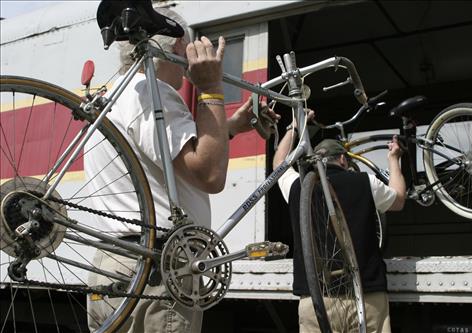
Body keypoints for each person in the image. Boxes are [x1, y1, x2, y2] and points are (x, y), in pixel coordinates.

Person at [85, 6, 277, 333]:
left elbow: (167, 156)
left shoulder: (117, 92)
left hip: (113, 264)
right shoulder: (153, 92)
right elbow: (208, 174)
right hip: (155, 268)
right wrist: (211, 89)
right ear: (177, 47)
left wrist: (228, 127)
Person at [273, 124, 405, 333]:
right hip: (366, 296)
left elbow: (279, 163)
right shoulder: (365, 182)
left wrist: (295, 128)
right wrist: (394, 160)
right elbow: (398, 200)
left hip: (316, 301)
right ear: (343, 159)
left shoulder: (297, 187)